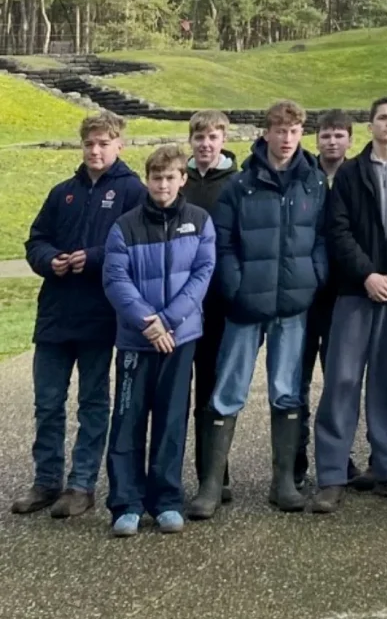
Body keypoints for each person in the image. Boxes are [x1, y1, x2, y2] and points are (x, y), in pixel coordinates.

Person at [188, 100, 328, 519]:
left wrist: (314, 276)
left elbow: (322, 238)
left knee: (287, 390)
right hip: (246, 305)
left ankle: (283, 481)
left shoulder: (315, 183)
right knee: (227, 391)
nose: (286, 139)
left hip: (292, 305)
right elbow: (223, 244)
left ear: (301, 133)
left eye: (293, 131)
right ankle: (212, 485)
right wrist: (235, 287)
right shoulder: (240, 186)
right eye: (278, 130)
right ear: (265, 133)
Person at [13, 111, 145, 519]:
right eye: (89, 143)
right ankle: (46, 480)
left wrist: (92, 258)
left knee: (92, 402)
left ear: (119, 144)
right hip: (54, 315)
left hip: (100, 315)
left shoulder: (132, 192)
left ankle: (81, 484)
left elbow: (138, 246)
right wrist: (50, 259)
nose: (95, 149)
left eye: (104, 142)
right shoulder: (62, 192)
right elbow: (36, 240)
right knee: (48, 402)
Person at [309, 97, 387, 513]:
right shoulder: (349, 174)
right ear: (370, 126)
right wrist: (368, 275)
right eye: (383, 117)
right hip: (354, 292)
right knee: (342, 380)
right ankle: (331, 474)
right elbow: (338, 230)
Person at [101, 145, 216, 536]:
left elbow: (202, 275)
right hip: (137, 341)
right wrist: (149, 324)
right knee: (128, 420)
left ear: (183, 179)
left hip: (180, 338)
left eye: (170, 177)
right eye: (156, 177)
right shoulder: (125, 226)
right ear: (147, 180)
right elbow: (116, 280)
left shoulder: (200, 222)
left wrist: (168, 321)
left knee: (170, 421)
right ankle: (126, 503)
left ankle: (166, 500)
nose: (162, 184)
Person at [296, 109, 365, 492]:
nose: (332, 141)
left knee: (341, 380)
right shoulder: (304, 177)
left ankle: (339, 456)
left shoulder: (358, 176)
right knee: (298, 379)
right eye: (326, 135)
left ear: (350, 139)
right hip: (307, 293)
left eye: (339, 135)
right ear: (316, 138)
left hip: (344, 292)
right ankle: (297, 457)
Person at [183, 110, 239, 505]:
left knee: (212, 389)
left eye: (213, 137)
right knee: (174, 392)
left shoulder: (236, 183)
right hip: (180, 301)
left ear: (223, 140)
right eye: (200, 137)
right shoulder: (178, 180)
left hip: (219, 301)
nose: (206, 144)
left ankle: (215, 474)